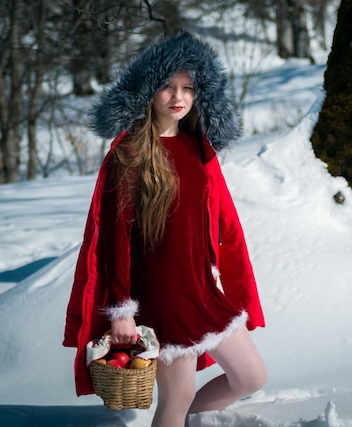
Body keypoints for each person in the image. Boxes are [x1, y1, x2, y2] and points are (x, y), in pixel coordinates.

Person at [62, 29, 267, 427]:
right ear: (147, 92)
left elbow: (214, 221)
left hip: (202, 291)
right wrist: (122, 311)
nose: (178, 97)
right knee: (178, 395)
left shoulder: (198, 148)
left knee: (250, 376)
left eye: (188, 88)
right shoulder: (130, 153)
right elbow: (113, 239)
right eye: (167, 87)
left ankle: (191, 421)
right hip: (162, 296)